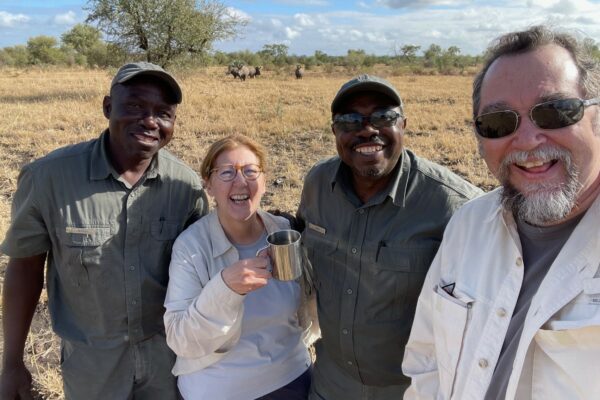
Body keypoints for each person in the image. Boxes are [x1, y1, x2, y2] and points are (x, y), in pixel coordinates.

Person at [403, 25, 600, 399]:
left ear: (596, 118)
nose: (527, 141)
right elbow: (427, 358)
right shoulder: (468, 223)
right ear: (480, 138)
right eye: (499, 123)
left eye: (556, 112)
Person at [0, 62, 208, 400]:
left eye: (163, 113)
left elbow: (200, 275)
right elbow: (24, 269)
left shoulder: (186, 187)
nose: (150, 121)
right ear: (108, 107)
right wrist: (11, 364)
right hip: (91, 365)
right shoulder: (48, 178)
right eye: (136, 106)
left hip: (167, 360)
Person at [296, 74, 482, 399]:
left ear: (404, 125)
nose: (367, 129)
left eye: (384, 117)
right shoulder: (317, 185)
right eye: (350, 120)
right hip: (330, 383)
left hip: (411, 391)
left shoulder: (455, 206)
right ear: (335, 132)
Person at [163, 134, 319, 400]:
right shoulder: (191, 247)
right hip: (219, 390)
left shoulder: (284, 231)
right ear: (208, 186)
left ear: (264, 181)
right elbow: (180, 338)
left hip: (293, 378)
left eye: (250, 171)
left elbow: (309, 311)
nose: (240, 181)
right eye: (226, 172)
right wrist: (225, 288)